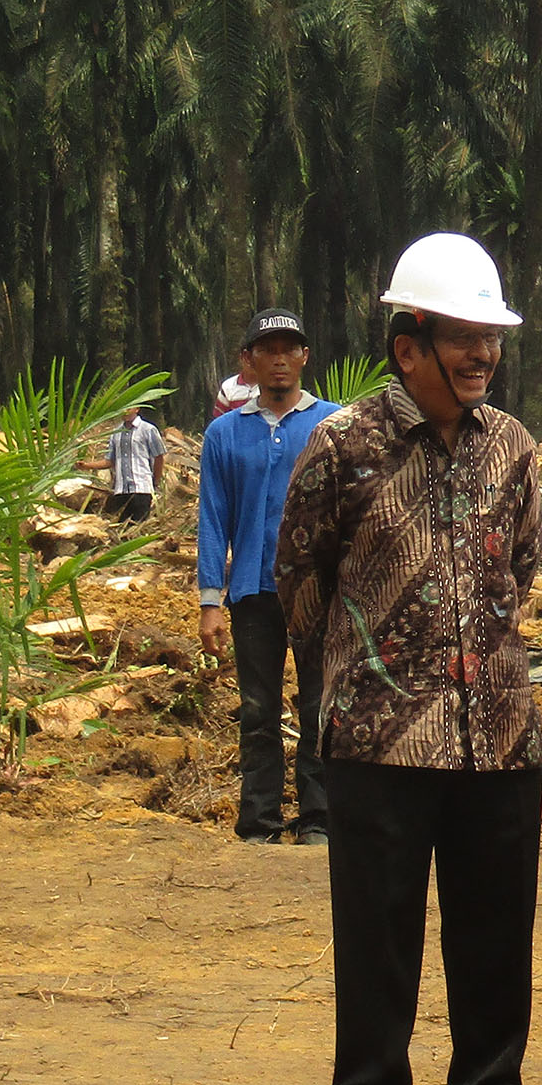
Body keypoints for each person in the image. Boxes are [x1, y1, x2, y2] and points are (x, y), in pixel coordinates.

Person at [277, 233, 542, 1085]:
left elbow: (522, 561)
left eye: (493, 340)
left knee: (496, 924)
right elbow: (300, 578)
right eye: (465, 338)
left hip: (499, 735)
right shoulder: (343, 445)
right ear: (410, 345)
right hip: (379, 736)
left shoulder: (511, 447)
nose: (483, 357)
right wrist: (351, 685)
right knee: (376, 927)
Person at [197, 310, 338, 846]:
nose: (279, 358)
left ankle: (319, 820)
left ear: (304, 357)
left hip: (317, 595)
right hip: (252, 591)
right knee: (257, 708)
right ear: (248, 361)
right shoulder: (224, 435)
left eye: (290, 348)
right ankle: (259, 821)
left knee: (318, 704)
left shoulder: (331, 426)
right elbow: (212, 518)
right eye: (267, 349)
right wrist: (211, 599)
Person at [81, 402, 168, 524]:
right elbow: (110, 461)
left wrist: (155, 480)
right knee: (119, 527)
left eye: (129, 408)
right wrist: (86, 466)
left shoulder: (148, 429)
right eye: (123, 408)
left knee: (138, 527)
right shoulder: (116, 433)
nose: (125, 411)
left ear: (137, 409)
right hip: (121, 490)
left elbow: (159, 456)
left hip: (141, 488)